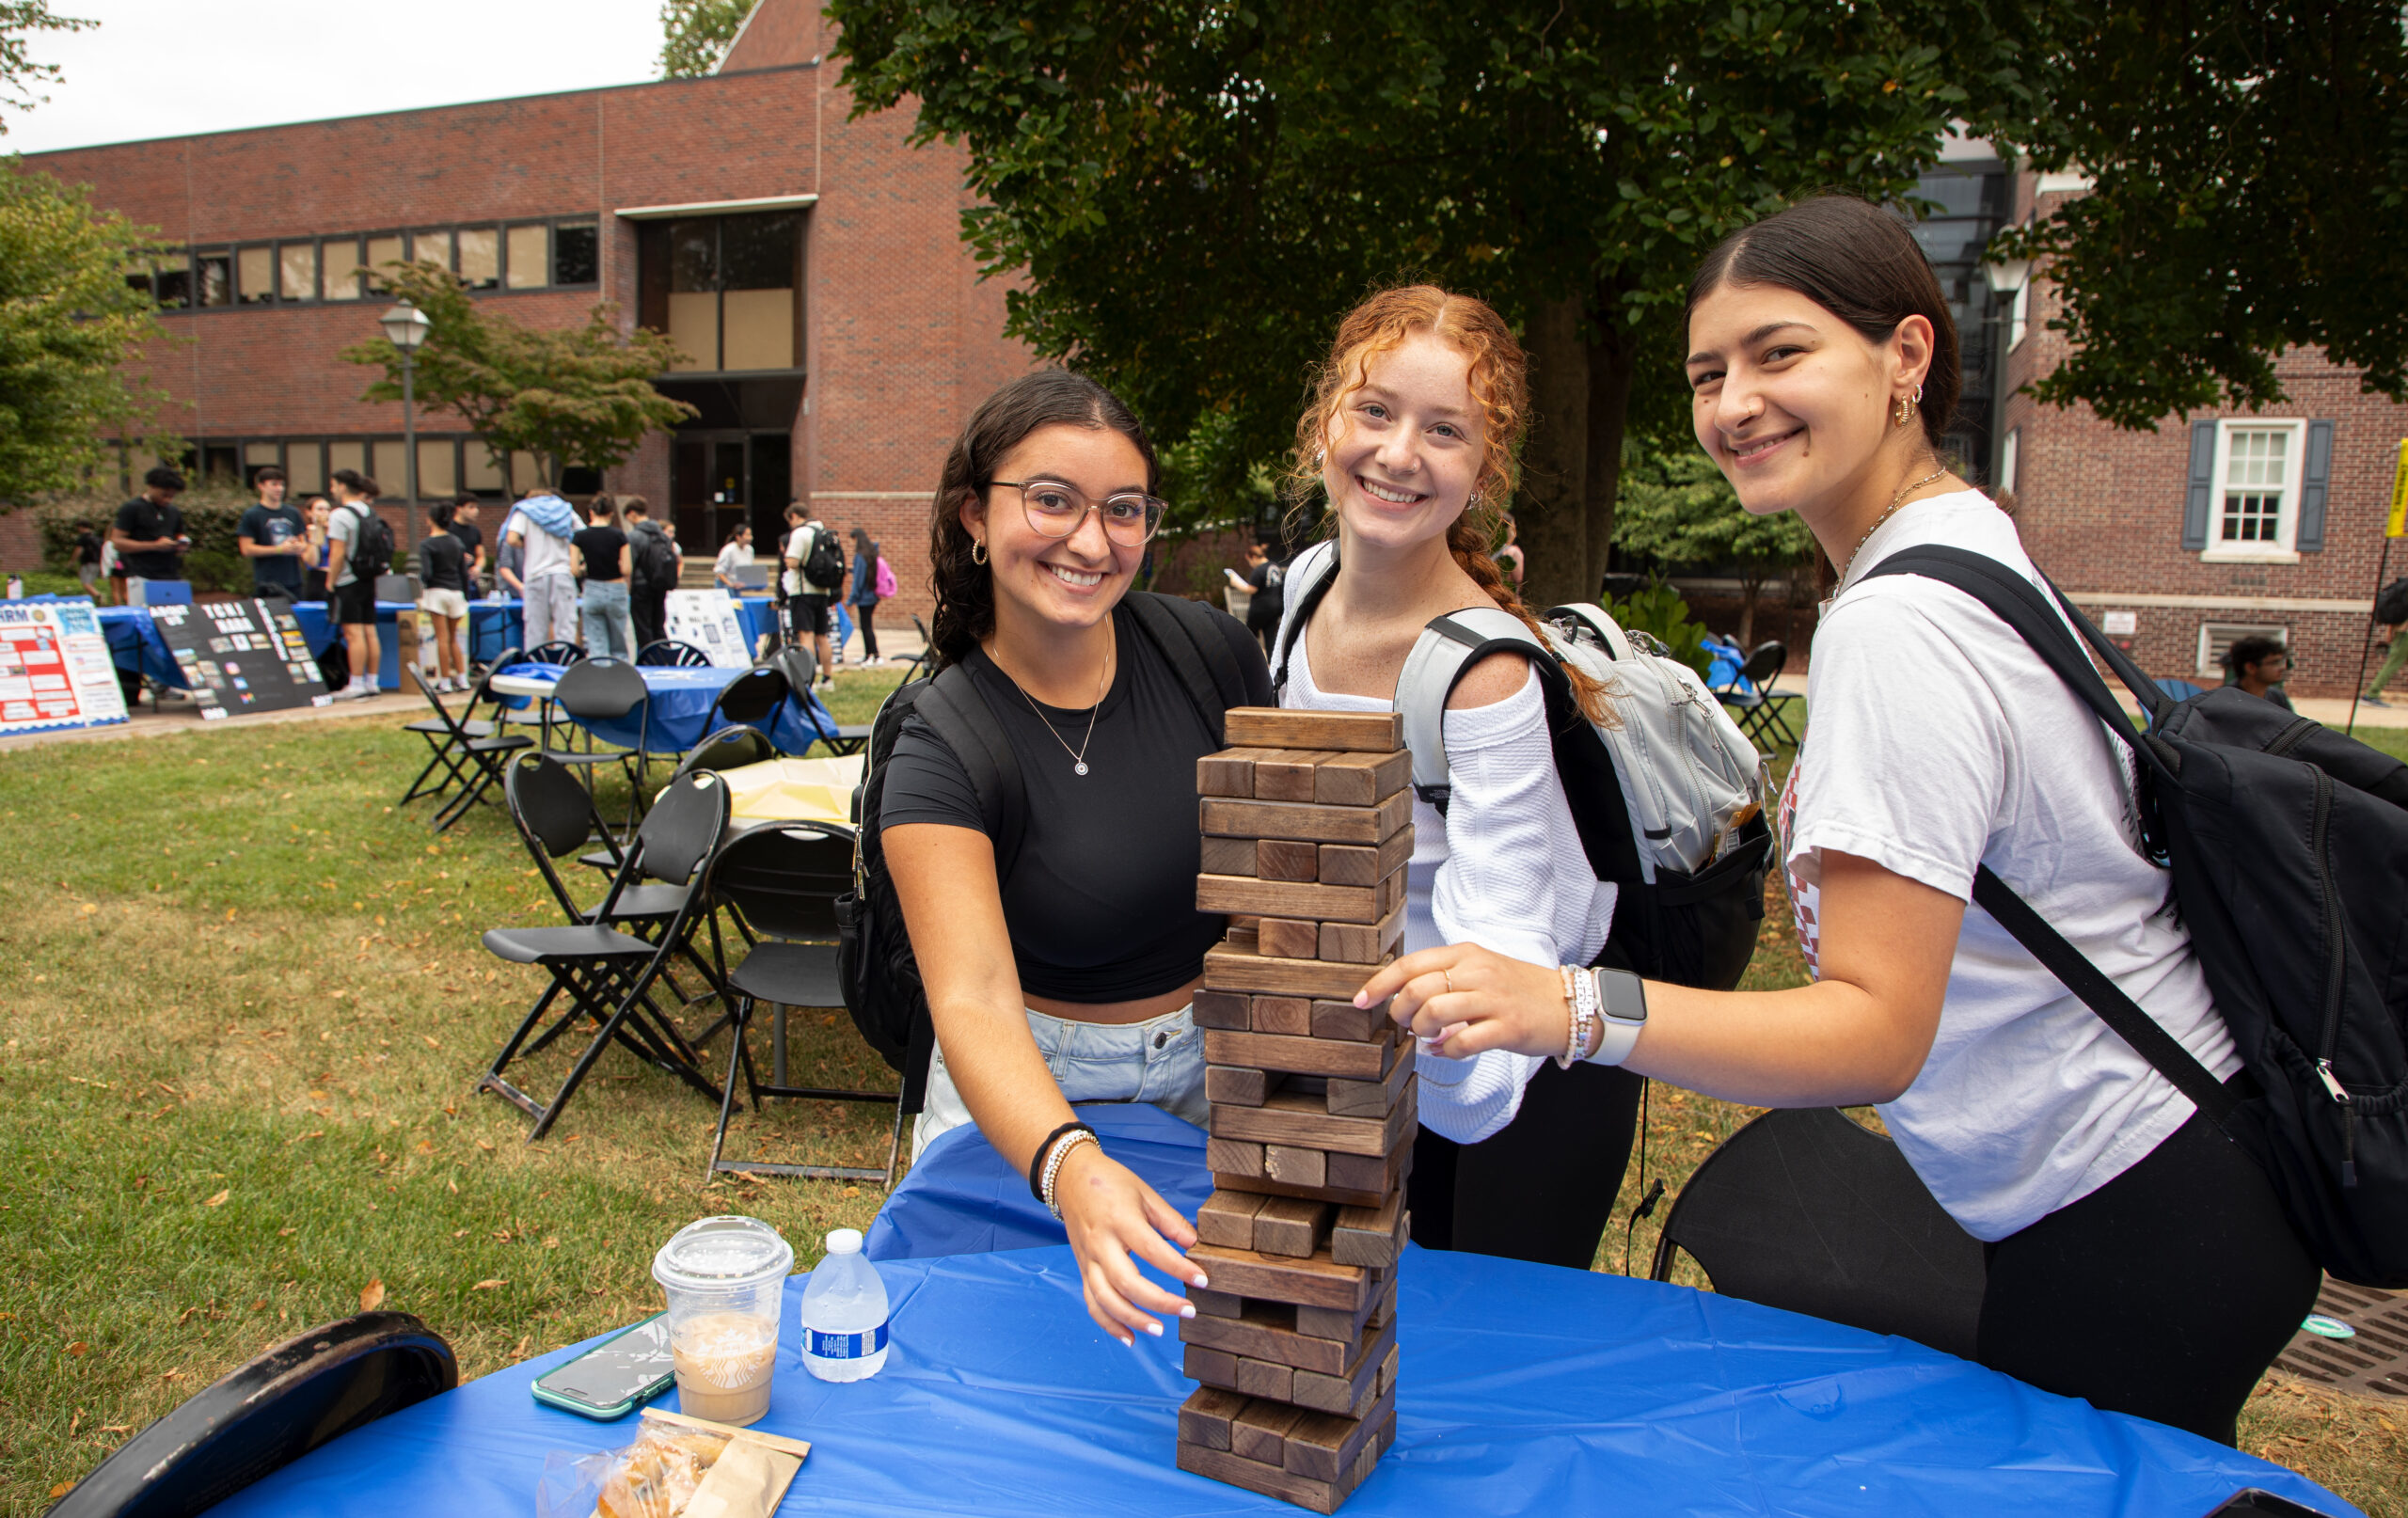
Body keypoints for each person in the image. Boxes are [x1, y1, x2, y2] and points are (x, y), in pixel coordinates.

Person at [1362, 195, 2318, 1447]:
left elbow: (1873, 1034)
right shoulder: (1962, 542)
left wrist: (1569, 1007)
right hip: (2169, 1175)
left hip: (2125, 1202)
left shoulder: (1898, 622)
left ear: (1906, 356)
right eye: (1709, 374)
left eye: (1781, 352)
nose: (1735, 404)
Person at [882, 369, 1273, 1348]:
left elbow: (1271, 870)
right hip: (1025, 1086)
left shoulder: (1212, 655)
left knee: (1195, 1359)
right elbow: (972, 999)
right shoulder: (938, 741)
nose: (1092, 543)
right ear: (976, 515)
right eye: (1052, 500)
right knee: (994, 1357)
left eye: (1123, 509)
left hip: (1209, 1072)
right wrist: (1068, 1162)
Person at [1272, 286, 1628, 1270]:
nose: (1398, 454)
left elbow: (1505, 968)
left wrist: (1429, 1055)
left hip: (1505, 1096)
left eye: (1444, 430)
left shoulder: (1488, 674)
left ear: (1482, 466)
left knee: (1480, 1343)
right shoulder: (1305, 587)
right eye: (1374, 411)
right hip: (1367, 1053)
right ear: (1325, 420)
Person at [324, 468, 383, 699]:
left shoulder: (339, 515)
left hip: (348, 579)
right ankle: (372, 681)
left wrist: (331, 580)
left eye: (333, 485)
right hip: (368, 577)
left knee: (353, 632)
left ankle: (356, 683)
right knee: (370, 631)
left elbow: (337, 553)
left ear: (342, 486)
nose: (332, 490)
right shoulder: (368, 511)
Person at [504, 484, 581, 650]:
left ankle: (536, 661)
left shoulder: (524, 511)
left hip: (535, 574)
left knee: (535, 627)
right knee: (565, 625)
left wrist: (526, 544)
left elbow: (511, 538)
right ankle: (565, 660)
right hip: (562, 573)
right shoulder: (565, 510)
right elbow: (581, 533)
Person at [781, 502, 840, 686]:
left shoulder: (800, 533)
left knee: (806, 636)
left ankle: (808, 680)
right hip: (823, 591)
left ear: (794, 516)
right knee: (822, 636)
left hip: (803, 591)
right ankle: (827, 679)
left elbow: (792, 562)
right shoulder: (824, 531)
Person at [573, 494, 636, 659]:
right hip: (616, 588)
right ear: (611, 513)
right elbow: (627, 569)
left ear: (591, 512)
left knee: (596, 644)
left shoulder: (579, 536)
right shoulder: (619, 536)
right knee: (619, 643)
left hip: (592, 588)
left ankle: (600, 672)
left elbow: (574, 569)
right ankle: (621, 671)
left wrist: (585, 568)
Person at [420, 500, 472, 692]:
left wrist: (422, 583)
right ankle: (463, 679)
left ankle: (445, 681)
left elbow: (427, 573)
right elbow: (463, 572)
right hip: (456, 592)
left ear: (430, 520)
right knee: (453, 638)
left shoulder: (427, 544)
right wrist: (465, 595)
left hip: (436, 592)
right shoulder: (457, 542)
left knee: (441, 638)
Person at [111, 466, 190, 592]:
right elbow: (117, 542)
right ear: (151, 486)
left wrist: (181, 543)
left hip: (171, 574)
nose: (167, 500)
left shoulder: (173, 511)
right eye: (164, 495)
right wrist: (154, 546)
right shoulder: (132, 508)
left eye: (172, 496)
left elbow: (178, 534)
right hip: (141, 575)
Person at [237, 466, 309, 597]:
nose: (279, 489)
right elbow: (246, 549)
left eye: (282, 485)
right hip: (267, 582)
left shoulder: (293, 513)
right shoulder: (252, 514)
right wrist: (279, 549)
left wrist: (298, 546)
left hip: (294, 580)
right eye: (274, 484)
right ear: (261, 486)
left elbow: (304, 542)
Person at [624, 497, 677, 648]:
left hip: (640, 586)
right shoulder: (662, 535)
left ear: (632, 514)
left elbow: (629, 564)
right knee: (659, 626)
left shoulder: (634, 536)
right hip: (660, 584)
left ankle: (648, 658)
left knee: (643, 628)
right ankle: (665, 656)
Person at [2362, 584, 2407, 706]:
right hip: (2404, 635)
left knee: (2393, 663)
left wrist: (2390, 632)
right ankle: (2371, 694)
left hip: (2402, 633)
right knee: (2392, 665)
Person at [2223, 634, 2293, 710]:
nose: (2282, 668)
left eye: (2281, 662)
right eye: (2275, 662)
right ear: (2251, 668)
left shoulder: (2277, 697)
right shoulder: (2223, 699)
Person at [848, 526, 884, 663]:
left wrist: (851, 599)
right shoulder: (872, 553)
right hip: (872, 595)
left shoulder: (860, 556)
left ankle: (875, 655)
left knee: (866, 627)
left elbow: (859, 580)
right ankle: (869, 654)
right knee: (866, 626)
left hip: (864, 598)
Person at [448, 494, 488, 593]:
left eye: (476, 507)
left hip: (471, 582)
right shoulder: (447, 529)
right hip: (452, 582)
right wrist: (458, 557)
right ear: (459, 509)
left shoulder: (475, 531)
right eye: (471, 507)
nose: (476, 511)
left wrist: (478, 568)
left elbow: (481, 555)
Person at [301, 497, 332, 601]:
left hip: (335, 577)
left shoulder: (334, 533)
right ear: (309, 512)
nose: (324, 512)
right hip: (317, 579)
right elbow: (312, 562)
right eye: (320, 509)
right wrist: (315, 534)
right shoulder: (306, 535)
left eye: (327, 509)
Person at [714, 524, 755, 591]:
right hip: (725, 586)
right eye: (747, 535)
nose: (750, 537)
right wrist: (730, 584)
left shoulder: (749, 550)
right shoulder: (729, 550)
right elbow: (719, 572)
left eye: (750, 535)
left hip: (737, 586)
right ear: (738, 537)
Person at [1495, 514, 1526, 591]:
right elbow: (1518, 579)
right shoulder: (1514, 551)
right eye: (1513, 528)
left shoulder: (1491, 547)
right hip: (1505, 589)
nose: (1515, 533)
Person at [74, 523, 103, 600]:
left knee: (86, 584)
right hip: (97, 563)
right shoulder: (96, 537)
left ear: (81, 527)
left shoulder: (83, 538)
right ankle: (93, 600)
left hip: (88, 563)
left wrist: (72, 561)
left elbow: (78, 550)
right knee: (91, 584)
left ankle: (99, 596)